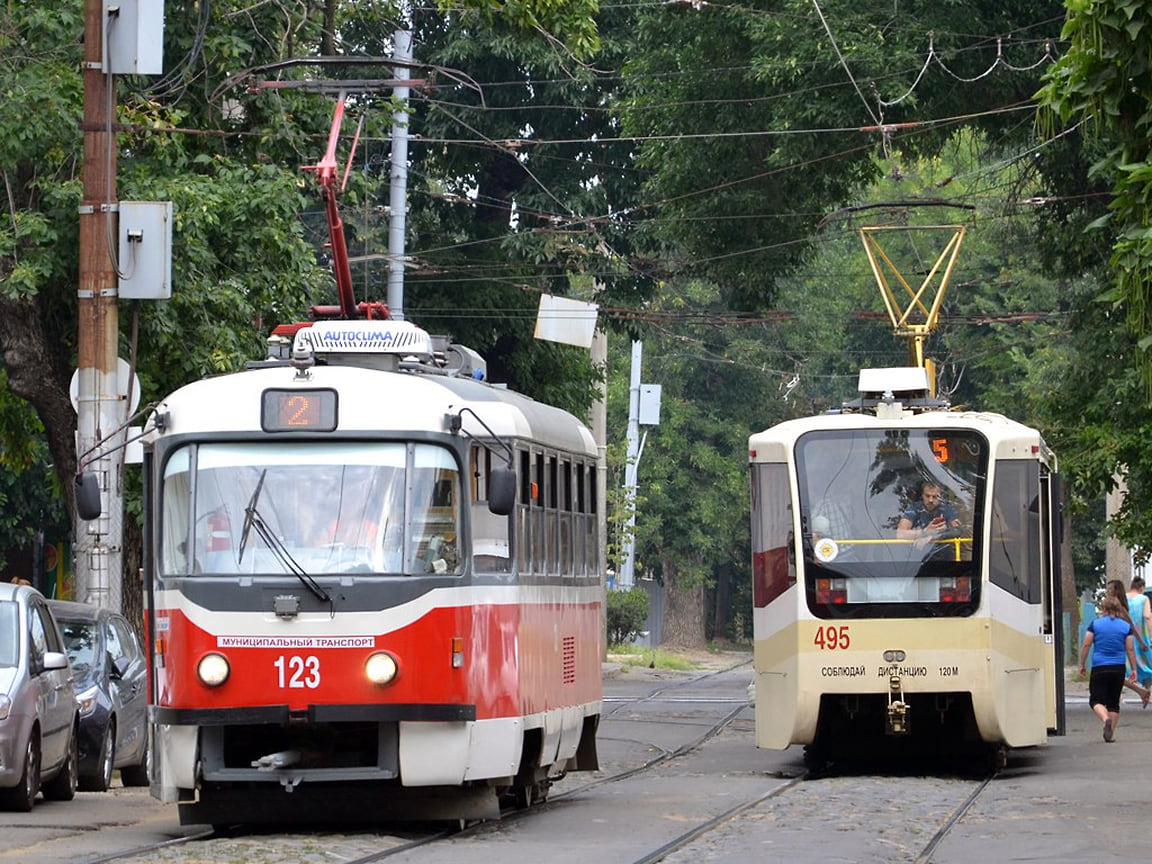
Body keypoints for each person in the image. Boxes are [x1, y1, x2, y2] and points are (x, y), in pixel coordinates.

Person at [1080, 593, 1141, 742]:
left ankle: (1105, 718)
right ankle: (1110, 736)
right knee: (1114, 703)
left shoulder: (1095, 624)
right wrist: (1133, 669)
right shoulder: (1126, 627)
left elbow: (1087, 644)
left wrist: (1082, 664)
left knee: (1095, 700)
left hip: (1100, 667)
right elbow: (1130, 649)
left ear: (1104, 608)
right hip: (1118, 668)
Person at [1106, 579, 1152, 705]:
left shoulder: (1118, 604)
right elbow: (1144, 618)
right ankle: (1145, 691)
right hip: (1129, 639)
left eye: (1110, 589)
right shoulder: (1142, 599)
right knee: (1144, 666)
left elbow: (1127, 622)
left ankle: (1121, 694)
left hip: (1118, 641)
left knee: (1118, 670)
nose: (1108, 591)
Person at [896, 482, 961, 548]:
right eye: (927, 496)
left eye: (934, 497)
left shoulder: (946, 508)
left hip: (942, 553)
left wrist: (932, 537)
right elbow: (900, 534)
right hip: (917, 553)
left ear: (940, 497)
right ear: (922, 496)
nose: (930, 500)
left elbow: (958, 530)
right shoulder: (914, 508)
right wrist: (925, 532)